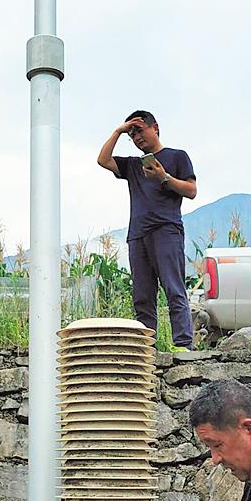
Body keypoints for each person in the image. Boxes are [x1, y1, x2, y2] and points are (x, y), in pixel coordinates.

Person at [96, 109, 196, 349]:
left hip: (166, 230)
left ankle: (183, 345)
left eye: (139, 131)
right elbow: (103, 160)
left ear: (155, 128)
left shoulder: (177, 156)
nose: (136, 137)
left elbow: (191, 190)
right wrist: (118, 131)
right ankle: (145, 350)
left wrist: (164, 177)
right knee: (142, 297)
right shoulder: (133, 165)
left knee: (174, 289)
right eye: (132, 135)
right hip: (137, 235)